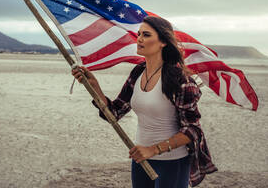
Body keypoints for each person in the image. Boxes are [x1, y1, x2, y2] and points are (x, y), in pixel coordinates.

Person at [72, 16, 217, 187]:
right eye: (139, 34)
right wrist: (94, 86)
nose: (139, 39)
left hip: (172, 163)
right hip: (141, 161)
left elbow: (193, 130)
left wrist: (152, 150)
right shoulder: (138, 72)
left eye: (146, 35)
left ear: (163, 41)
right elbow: (114, 113)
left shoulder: (180, 80)